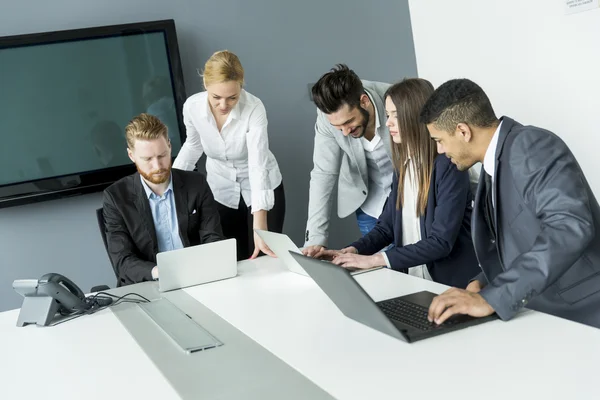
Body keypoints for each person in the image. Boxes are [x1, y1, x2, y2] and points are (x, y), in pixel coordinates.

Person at [422, 78, 600, 329]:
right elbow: (522, 240)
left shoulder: (531, 146)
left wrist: (495, 297)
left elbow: (570, 226)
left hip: (582, 314)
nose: (440, 150)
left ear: (463, 131)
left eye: (439, 140)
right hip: (540, 312)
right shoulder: (493, 163)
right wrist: (483, 283)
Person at [320, 78, 480, 288]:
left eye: (395, 116)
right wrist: (352, 251)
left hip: (449, 287)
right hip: (414, 282)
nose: (388, 124)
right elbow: (387, 228)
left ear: (416, 116)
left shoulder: (448, 166)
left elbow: (440, 243)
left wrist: (375, 260)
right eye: (387, 116)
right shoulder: (404, 166)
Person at [172, 50, 284, 261]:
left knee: (265, 260)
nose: (223, 105)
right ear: (205, 83)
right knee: (231, 261)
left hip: (261, 187)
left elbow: (257, 164)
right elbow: (193, 146)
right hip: (220, 190)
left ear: (241, 86)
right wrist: (172, 183)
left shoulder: (254, 108)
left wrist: (260, 227)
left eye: (232, 97)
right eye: (216, 97)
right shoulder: (192, 107)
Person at [103, 113, 224, 286]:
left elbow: (213, 239)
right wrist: (161, 272)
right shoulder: (115, 197)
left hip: (198, 279)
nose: (158, 166)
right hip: (147, 285)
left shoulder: (196, 184)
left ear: (169, 146)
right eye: (148, 159)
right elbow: (123, 261)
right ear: (131, 155)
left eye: (162, 156)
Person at [303, 65, 393, 256]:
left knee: (415, 265)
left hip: (407, 200)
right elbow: (323, 173)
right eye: (338, 126)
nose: (344, 132)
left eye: (348, 122)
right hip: (370, 204)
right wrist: (316, 238)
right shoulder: (326, 117)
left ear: (364, 101)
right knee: (385, 274)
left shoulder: (395, 100)